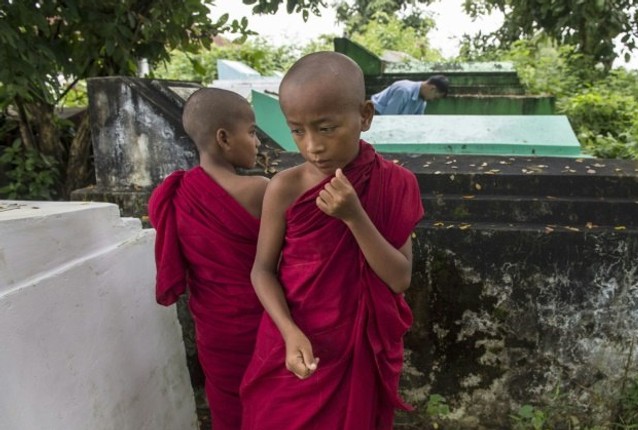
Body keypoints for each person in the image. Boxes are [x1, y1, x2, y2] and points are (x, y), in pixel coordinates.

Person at [240, 51, 424, 430]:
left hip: (356, 351)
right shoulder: (284, 188)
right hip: (294, 343)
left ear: (365, 116)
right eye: (297, 130)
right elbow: (261, 271)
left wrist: (354, 216)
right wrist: (288, 332)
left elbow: (399, 278)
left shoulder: (395, 184)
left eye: (326, 128)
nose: (312, 146)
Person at [147, 87, 269, 430]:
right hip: (262, 320)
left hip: (214, 330)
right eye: (252, 132)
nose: (258, 142)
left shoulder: (174, 194)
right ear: (224, 138)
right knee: (271, 403)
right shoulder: (259, 190)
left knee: (229, 406)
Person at [370, 75, 449, 115]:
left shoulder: (422, 101)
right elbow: (388, 119)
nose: (432, 100)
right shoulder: (403, 90)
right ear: (432, 88)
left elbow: (415, 124)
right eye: (435, 97)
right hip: (374, 116)